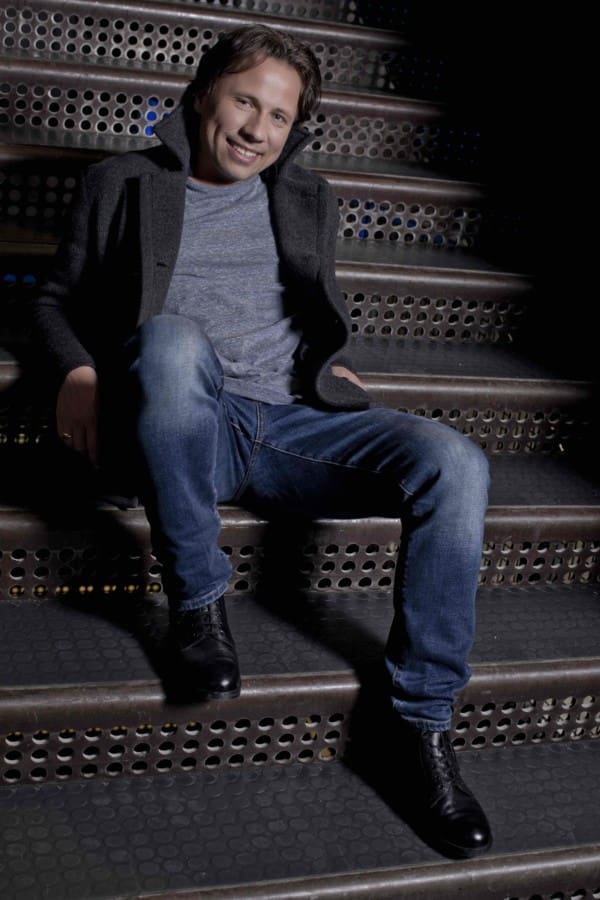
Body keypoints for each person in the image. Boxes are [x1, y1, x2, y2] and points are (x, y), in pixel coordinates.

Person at [30, 24, 492, 859]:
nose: (256, 129)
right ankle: (197, 604)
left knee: (455, 461)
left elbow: (308, 310)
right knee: (171, 341)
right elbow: (53, 300)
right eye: (246, 102)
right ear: (205, 92)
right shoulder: (122, 182)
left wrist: (327, 364)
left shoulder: (309, 197)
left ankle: (418, 725)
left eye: (279, 116)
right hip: (187, 423)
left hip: (291, 424)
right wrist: (77, 371)